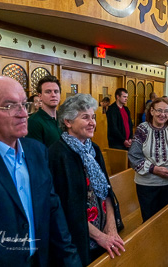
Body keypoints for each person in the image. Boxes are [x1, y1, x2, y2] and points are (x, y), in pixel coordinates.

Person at [0, 76, 81, 267]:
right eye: (10, 106)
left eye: (24, 104)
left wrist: (71, 261)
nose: (24, 114)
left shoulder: (37, 150)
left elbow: (52, 209)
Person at [49, 94, 125, 265]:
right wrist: (100, 237)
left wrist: (111, 229)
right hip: (79, 240)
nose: (92, 122)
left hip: (104, 234)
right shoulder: (58, 155)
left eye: (93, 117)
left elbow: (106, 191)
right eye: (85, 117)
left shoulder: (93, 149)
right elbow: (65, 209)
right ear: (68, 122)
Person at [128, 98, 168, 222]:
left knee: (167, 219)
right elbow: (134, 156)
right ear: (151, 111)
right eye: (159, 110)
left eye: (166, 111)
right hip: (147, 183)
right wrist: (153, 169)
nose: (163, 114)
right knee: (149, 220)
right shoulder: (142, 129)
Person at [27, 75, 62, 147]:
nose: (53, 95)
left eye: (56, 91)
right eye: (48, 92)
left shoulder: (63, 118)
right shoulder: (33, 121)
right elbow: (36, 153)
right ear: (40, 96)